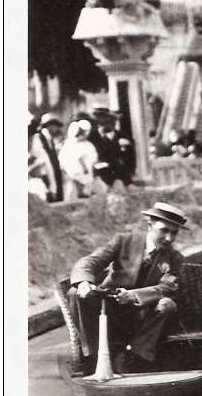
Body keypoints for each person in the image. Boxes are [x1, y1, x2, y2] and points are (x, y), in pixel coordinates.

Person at [66, 202, 188, 374]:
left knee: (167, 303)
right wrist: (84, 282)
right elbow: (89, 262)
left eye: (174, 232)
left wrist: (134, 296)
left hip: (142, 314)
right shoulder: (124, 241)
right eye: (164, 230)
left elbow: (168, 287)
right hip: (109, 306)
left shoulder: (175, 257)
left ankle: (135, 356)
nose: (169, 238)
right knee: (74, 293)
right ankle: (91, 355)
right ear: (150, 225)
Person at [91, 107, 135, 186]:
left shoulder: (122, 136)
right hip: (102, 177)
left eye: (111, 121)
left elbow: (131, 155)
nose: (109, 123)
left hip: (122, 176)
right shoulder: (93, 138)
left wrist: (131, 171)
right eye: (102, 121)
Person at [59, 120, 99, 199]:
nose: (81, 135)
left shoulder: (89, 145)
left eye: (83, 132)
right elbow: (62, 164)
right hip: (72, 179)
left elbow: (93, 160)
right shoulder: (68, 145)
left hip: (87, 179)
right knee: (72, 196)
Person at [29, 112, 64, 202]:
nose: (56, 128)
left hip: (52, 179)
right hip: (45, 179)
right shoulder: (39, 139)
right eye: (54, 125)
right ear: (48, 125)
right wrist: (53, 188)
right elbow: (46, 163)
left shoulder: (50, 140)